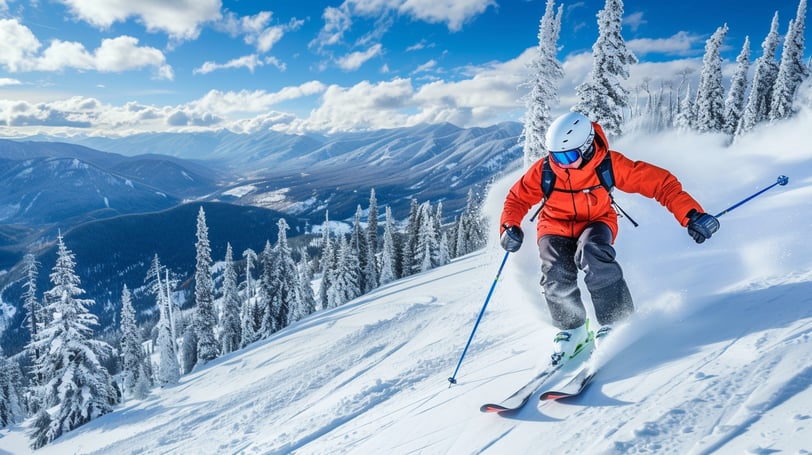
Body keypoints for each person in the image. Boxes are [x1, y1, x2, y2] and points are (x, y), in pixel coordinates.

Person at [499, 111, 719, 365]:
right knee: (555, 270)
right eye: (556, 156)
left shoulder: (610, 165)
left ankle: (617, 321)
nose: (563, 164)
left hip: (596, 221)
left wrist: (691, 215)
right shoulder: (546, 170)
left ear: (588, 146)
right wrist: (508, 227)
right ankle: (573, 330)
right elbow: (516, 199)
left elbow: (661, 184)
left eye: (569, 156)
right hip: (554, 225)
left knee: (593, 253)